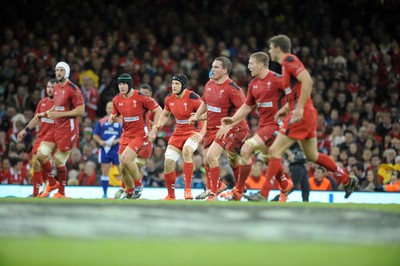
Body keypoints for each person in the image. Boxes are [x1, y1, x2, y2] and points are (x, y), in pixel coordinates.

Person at [245, 35, 357, 202]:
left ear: (277, 49)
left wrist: (298, 108)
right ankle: (347, 179)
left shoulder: (290, 60)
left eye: (270, 48)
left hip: (301, 114)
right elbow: (294, 91)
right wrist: (285, 108)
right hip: (305, 113)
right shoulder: (285, 66)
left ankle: (263, 194)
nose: (269, 51)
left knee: (274, 151)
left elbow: (308, 81)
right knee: (312, 155)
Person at [216, 52, 285, 201]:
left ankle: (238, 191)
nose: (248, 67)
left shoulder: (278, 80)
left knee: (246, 149)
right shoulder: (253, 84)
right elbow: (247, 107)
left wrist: (291, 112)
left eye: (251, 64)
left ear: (260, 64)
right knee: (269, 160)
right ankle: (285, 185)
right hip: (263, 126)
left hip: (276, 125)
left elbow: (295, 95)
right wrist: (232, 120)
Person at [189, 56, 250, 200]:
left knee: (212, 156)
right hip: (211, 127)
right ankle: (220, 186)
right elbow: (205, 103)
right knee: (206, 160)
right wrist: (197, 116)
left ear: (225, 70)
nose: (212, 69)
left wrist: (229, 125)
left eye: (216, 67)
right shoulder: (210, 84)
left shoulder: (233, 89)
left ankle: (213, 192)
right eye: (212, 66)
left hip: (227, 128)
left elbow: (244, 110)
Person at [152, 73, 206, 200]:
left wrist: (201, 133)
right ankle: (171, 195)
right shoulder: (169, 98)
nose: (173, 86)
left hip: (194, 130)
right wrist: (158, 125)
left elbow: (207, 115)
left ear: (183, 85)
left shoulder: (193, 97)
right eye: (172, 83)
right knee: (168, 162)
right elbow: (165, 114)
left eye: (177, 84)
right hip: (179, 132)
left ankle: (187, 190)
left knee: (187, 151)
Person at [35, 62, 85, 198]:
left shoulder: (73, 89)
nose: (58, 73)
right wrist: (45, 113)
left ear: (67, 72)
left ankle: (62, 192)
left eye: (61, 70)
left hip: (69, 130)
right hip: (56, 128)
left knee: (58, 161)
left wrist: (60, 114)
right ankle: (52, 182)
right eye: (57, 70)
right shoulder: (56, 87)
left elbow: (81, 110)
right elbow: (56, 107)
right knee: (40, 155)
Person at [108, 73, 162, 199]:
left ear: (130, 84)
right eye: (119, 84)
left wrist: (154, 130)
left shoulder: (141, 97)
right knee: (123, 167)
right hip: (126, 134)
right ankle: (130, 191)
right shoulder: (116, 99)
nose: (121, 87)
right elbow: (115, 116)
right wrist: (112, 118)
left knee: (126, 159)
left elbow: (159, 110)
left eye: (124, 84)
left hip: (140, 134)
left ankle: (138, 185)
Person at [17, 78, 58, 197]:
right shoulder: (42, 102)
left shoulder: (60, 105)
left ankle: (47, 187)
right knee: (35, 164)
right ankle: (40, 192)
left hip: (53, 140)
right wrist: (25, 130)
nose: (50, 89)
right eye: (48, 87)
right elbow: (36, 119)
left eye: (52, 87)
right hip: (41, 138)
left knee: (39, 162)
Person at [93, 101, 122, 198]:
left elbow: (126, 135)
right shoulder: (101, 122)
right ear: (106, 109)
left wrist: (117, 140)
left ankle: (126, 190)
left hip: (117, 149)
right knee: (105, 170)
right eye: (108, 108)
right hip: (104, 149)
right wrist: (100, 142)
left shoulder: (121, 122)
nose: (110, 110)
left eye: (112, 108)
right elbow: (95, 135)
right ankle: (105, 193)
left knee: (122, 170)